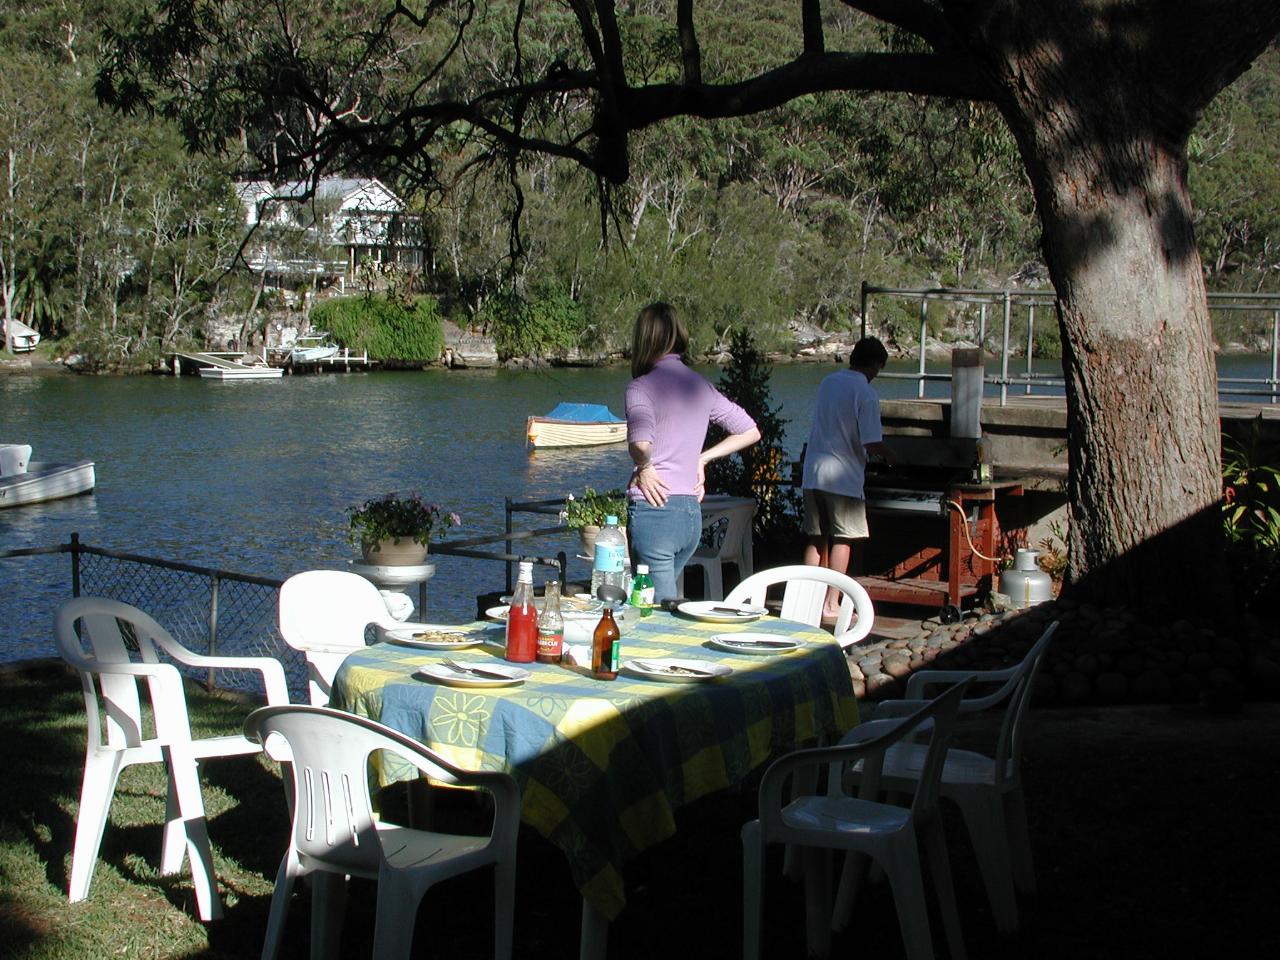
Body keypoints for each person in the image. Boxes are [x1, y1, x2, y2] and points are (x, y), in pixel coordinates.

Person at [625, 302, 761, 602]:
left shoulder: (640, 387)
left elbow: (641, 443)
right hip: (689, 516)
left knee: (655, 612)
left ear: (644, 339)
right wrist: (703, 458)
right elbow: (750, 430)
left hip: (654, 511)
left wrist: (645, 466)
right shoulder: (700, 386)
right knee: (661, 603)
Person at [801, 336, 895, 620]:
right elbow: (871, 441)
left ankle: (806, 602)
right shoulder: (865, 393)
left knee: (816, 538)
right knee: (844, 538)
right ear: (875, 365)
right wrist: (891, 455)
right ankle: (831, 603)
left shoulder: (828, 382)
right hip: (842, 476)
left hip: (813, 471)